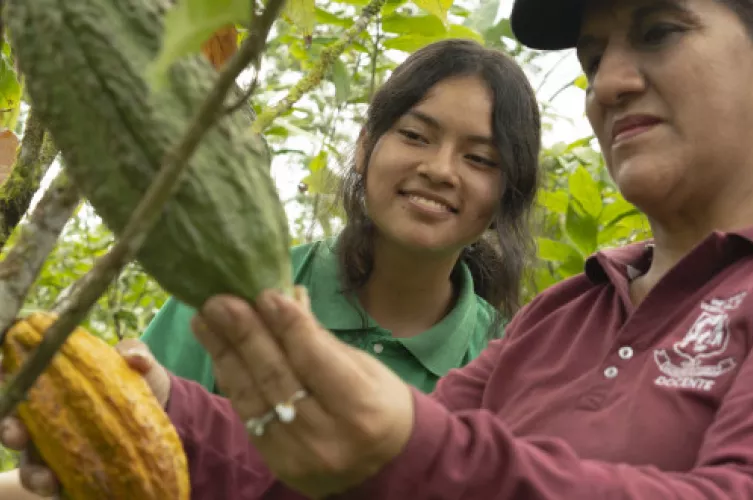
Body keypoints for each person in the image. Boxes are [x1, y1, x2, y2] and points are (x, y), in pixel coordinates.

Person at [102, 0, 753, 497]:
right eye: (593, 58)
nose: (609, 84)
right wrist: (167, 410)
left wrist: (410, 445)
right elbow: (348, 464)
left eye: (659, 31)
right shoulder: (561, 314)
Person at [0, 38, 542, 498]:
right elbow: (120, 451)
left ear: (506, 194)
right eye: (416, 135)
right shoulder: (231, 294)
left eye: (480, 159)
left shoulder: (508, 361)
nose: (438, 169)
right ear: (364, 147)